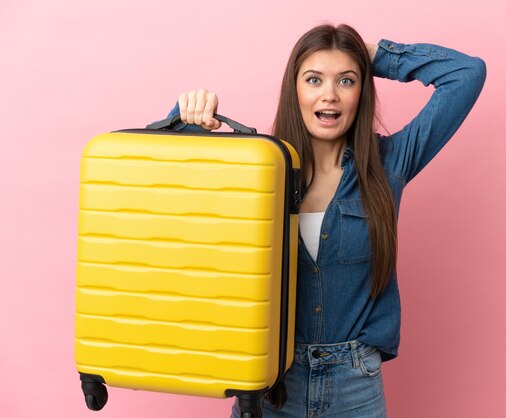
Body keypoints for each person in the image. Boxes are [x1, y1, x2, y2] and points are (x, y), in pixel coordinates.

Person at [166, 23, 486, 418]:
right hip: (270, 385)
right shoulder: (256, 169)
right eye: (314, 79)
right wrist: (186, 121)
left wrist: (372, 54)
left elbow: (466, 74)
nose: (329, 95)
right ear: (294, 89)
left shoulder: (390, 164)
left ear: (361, 91)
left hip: (356, 388)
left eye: (346, 80)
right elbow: (173, 208)